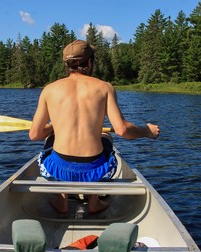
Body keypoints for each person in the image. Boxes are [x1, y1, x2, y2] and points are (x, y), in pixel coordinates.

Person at [29, 40, 160, 214]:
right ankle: (94, 201)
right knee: (106, 137)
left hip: (59, 169)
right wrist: (146, 131)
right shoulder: (104, 87)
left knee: (50, 139)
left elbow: (35, 134)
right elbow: (122, 130)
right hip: (95, 170)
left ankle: (62, 200)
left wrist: (54, 127)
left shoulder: (49, 90)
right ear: (90, 62)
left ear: (66, 65)